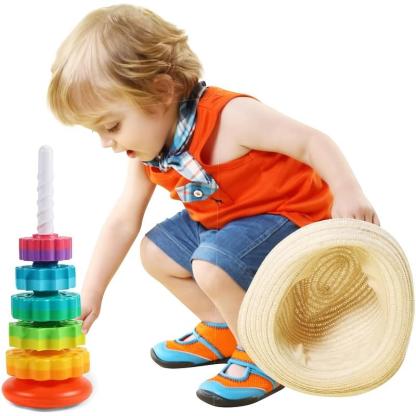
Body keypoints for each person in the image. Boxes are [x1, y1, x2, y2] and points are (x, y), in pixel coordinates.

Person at [47, 4, 380, 407]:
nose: (106, 142)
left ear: (162, 91)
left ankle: (264, 355)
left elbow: (311, 142)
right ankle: (224, 328)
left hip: (291, 218)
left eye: (112, 125)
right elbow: (123, 220)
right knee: (155, 252)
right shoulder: (150, 153)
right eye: (97, 131)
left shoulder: (230, 117)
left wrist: (347, 190)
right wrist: (93, 291)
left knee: (211, 265)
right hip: (227, 226)